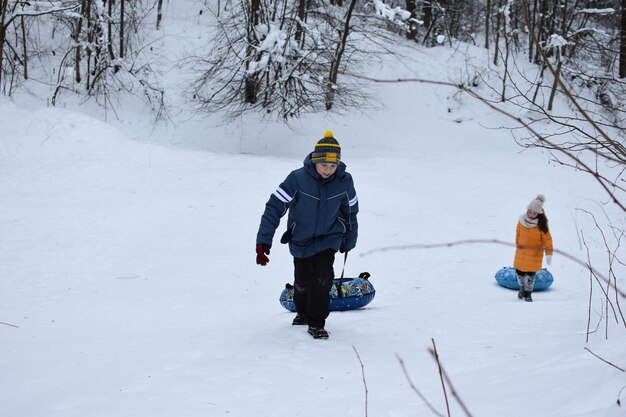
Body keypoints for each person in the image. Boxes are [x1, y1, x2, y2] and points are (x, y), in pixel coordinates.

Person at [255, 131, 359, 339]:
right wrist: (263, 240)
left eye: (333, 165)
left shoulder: (344, 181)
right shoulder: (297, 179)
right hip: (301, 239)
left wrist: (349, 239)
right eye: (324, 165)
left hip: (329, 237)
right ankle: (302, 311)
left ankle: (317, 323)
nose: (328, 170)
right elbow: (274, 207)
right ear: (314, 160)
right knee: (302, 282)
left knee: (323, 278)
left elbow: (350, 211)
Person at [514, 194, 553, 302]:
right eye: (530, 211)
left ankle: (528, 293)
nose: (531, 214)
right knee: (520, 274)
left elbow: (547, 239)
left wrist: (549, 253)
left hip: (534, 254)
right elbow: (518, 232)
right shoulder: (521, 220)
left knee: (529, 277)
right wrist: (518, 243)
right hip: (521, 253)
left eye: (534, 213)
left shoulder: (541, 224)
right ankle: (522, 288)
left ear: (539, 213)